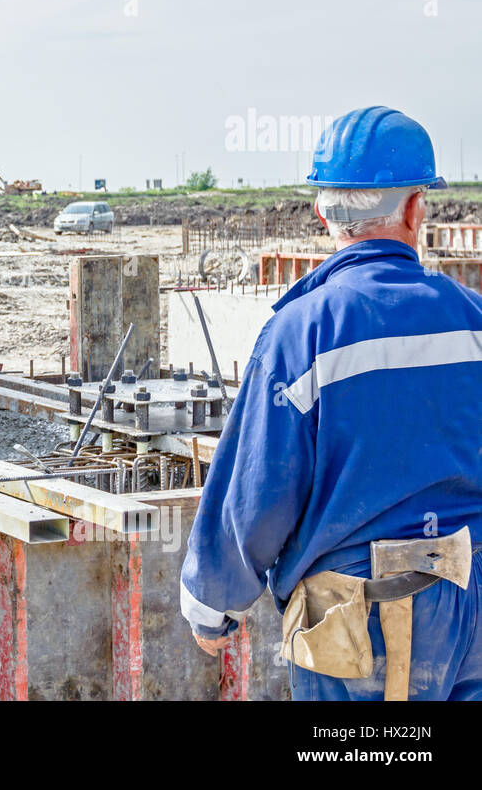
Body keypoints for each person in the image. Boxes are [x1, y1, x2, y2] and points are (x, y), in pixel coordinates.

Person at [180, 106, 482, 701]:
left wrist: (212, 604)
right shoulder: (472, 320)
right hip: (472, 605)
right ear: (417, 208)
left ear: (323, 210)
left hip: (363, 617)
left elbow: (257, 492)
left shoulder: (303, 334)